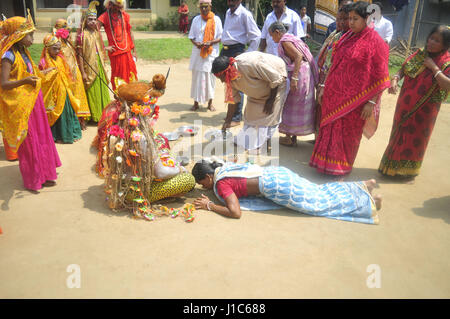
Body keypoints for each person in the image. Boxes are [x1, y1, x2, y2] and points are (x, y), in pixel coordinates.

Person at [310, 1, 390, 176]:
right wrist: (324, 86)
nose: (350, 22)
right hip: (333, 96)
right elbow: (333, 62)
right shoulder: (347, 37)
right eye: (350, 18)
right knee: (329, 129)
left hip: (355, 102)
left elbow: (382, 76)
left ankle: (339, 167)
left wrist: (371, 102)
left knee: (346, 134)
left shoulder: (376, 43)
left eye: (355, 19)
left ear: (367, 18)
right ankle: (323, 164)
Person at [192, 160, 382, 224]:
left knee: (318, 204)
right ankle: (365, 184)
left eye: (203, 184)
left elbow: (236, 213)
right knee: (317, 191)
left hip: (276, 186)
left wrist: (209, 205)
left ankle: (369, 203)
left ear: (209, 177)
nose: (204, 188)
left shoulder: (221, 183)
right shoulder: (224, 167)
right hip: (278, 172)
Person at [378, 25, 450, 183]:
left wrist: (434, 68)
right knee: (398, 133)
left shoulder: (446, 62)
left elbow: (447, 85)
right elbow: (403, 69)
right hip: (404, 104)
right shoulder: (420, 54)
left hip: (425, 111)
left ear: (445, 45)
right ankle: (389, 167)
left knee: (415, 138)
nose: (431, 42)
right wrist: (395, 79)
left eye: (436, 41)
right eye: (431, 38)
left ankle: (407, 172)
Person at [0, 14, 61, 191]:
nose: (32, 39)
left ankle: (46, 173)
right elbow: (3, 84)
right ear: (18, 36)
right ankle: (34, 179)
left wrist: (44, 73)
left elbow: (30, 72)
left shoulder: (24, 52)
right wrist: (25, 82)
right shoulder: (8, 57)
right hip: (21, 106)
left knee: (42, 137)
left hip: (34, 103)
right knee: (29, 142)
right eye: (30, 35)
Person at [212, 52, 287, 151]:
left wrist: (270, 101)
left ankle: (262, 143)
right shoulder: (230, 77)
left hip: (275, 85)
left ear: (226, 72)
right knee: (250, 115)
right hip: (257, 93)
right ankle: (248, 140)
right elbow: (233, 101)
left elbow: (275, 79)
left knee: (267, 117)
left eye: (221, 78)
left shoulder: (249, 65)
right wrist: (227, 121)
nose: (222, 81)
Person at [269, 22, 318, 146]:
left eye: (272, 36)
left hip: (299, 74)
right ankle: (292, 136)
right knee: (298, 105)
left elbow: (298, 56)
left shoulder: (284, 41)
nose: (272, 39)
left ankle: (288, 137)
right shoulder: (291, 38)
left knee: (291, 104)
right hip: (304, 73)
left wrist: (295, 78)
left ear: (277, 32)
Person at [220, 0, 261, 128]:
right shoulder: (228, 12)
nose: (231, 2)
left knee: (237, 83)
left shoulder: (245, 14)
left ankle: (237, 117)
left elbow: (257, 36)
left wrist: (246, 55)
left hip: (236, 51)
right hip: (225, 50)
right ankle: (231, 114)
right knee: (228, 83)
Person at [39, 34, 83, 144]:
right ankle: (58, 135)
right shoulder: (43, 62)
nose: (57, 51)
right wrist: (48, 73)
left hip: (64, 90)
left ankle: (71, 133)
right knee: (57, 113)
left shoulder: (60, 59)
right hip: (53, 94)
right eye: (54, 48)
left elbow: (66, 73)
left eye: (59, 48)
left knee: (68, 111)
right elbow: (41, 78)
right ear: (47, 48)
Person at [315, 4, 351, 136]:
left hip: (337, 82)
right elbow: (325, 57)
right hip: (325, 77)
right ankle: (319, 138)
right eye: (338, 19)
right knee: (320, 108)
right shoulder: (335, 35)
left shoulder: (351, 39)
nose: (341, 22)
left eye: (344, 19)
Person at [76, 1, 111, 123]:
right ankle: (95, 116)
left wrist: (106, 48)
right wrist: (83, 72)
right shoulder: (82, 35)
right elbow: (79, 54)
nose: (93, 22)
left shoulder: (96, 32)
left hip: (99, 64)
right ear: (85, 20)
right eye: (90, 19)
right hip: (89, 67)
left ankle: (105, 114)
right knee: (93, 92)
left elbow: (99, 48)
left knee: (102, 89)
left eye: (95, 19)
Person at [54, 18, 91, 129]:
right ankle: (72, 123)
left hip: (76, 73)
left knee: (79, 96)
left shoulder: (69, 42)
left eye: (68, 30)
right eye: (64, 29)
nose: (67, 32)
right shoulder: (56, 43)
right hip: (65, 76)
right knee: (71, 98)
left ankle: (81, 120)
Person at [188, 0, 222, 112]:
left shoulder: (216, 20)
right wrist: (197, 44)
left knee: (210, 78)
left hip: (211, 53)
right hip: (198, 54)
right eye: (201, 7)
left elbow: (220, 37)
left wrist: (210, 43)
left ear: (210, 6)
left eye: (205, 7)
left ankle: (210, 103)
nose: (203, 9)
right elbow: (191, 37)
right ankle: (196, 102)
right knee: (196, 78)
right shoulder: (196, 20)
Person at [98, 0, 137, 90]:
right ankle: (120, 99)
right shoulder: (104, 17)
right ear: (110, 5)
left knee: (130, 74)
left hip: (127, 51)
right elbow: (96, 31)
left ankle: (131, 97)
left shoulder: (125, 15)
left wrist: (134, 51)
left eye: (120, 6)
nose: (120, 8)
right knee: (118, 77)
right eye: (117, 6)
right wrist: (104, 47)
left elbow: (130, 32)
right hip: (115, 52)